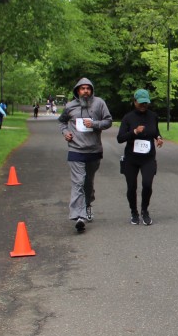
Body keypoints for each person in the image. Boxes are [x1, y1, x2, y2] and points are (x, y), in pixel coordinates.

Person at [59, 78, 113, 233]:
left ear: (91, 90)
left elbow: (108, 121)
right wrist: (65, 132)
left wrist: (95, 124)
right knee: (78, 182)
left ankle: (88, 205)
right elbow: (62, 122)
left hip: (94, 150)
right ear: (77, 90)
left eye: (88, 88)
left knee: (88, 183)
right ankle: (79, 217)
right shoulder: (70, 106)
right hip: (75, 150)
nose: (85, 91)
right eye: (82, 88)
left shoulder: (99, 103)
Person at [117, 89, 163, 225]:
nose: (143, 105)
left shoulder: (153, 116)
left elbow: (155, 131)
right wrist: (134, 132)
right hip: (131, 158)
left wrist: (159, 138)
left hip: (148, 158)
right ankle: (134, 212)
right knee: (132, 187)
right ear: (135, 102)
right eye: (141, 103)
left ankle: (144, 210)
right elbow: (120, 138)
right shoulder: (128, 118)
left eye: (146, 103)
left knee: (147, 185)